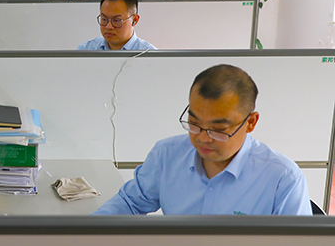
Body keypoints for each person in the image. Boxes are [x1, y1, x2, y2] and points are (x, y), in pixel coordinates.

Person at [94, 64, 312, 215]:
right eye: (194, 123)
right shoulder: (167, 155)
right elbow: (129, 203)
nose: (202, 138)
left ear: (250, 122)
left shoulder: (282, 179)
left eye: (218, 130)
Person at [77, 0, 156, 51]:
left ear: (134, 20)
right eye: (104, 19)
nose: (108, 26)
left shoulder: (149, 55)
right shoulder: (85, 50)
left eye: (116, 20)